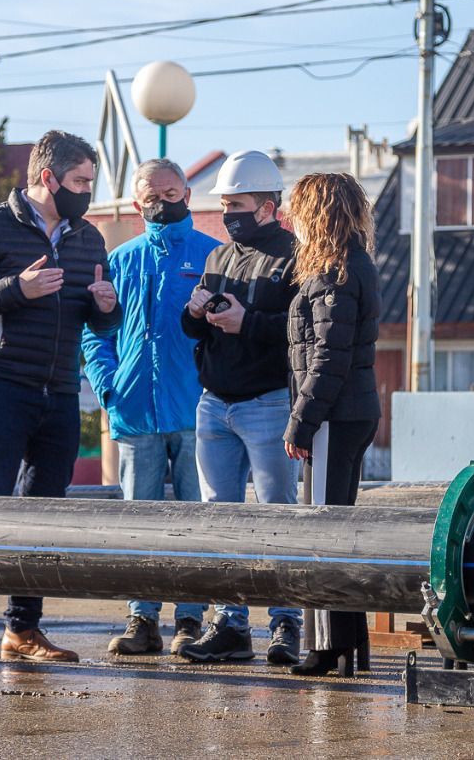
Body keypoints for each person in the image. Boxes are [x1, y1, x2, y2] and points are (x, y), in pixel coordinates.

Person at [0, 130, 119, 663]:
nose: (87, 191)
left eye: (90, 181)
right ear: (47, 178)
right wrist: (17, 288)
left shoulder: (88, 238)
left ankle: (22, 630)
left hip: (60, 387)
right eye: (80, 181)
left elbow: (97, 320)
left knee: (45, 512)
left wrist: (107, 307)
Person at [81, 159, 220, 658]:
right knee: (139, 520)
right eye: (152, 194)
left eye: (171, 190)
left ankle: (190, 617)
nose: (163, 200)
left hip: (196, 414)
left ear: (187, 192)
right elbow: (96, 334)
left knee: (196, 520)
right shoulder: (120, 259)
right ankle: (142, 618)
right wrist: (108, 387)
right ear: (138, 203)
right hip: (135, 411)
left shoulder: (214, 256)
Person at [176, 149, 303, 665]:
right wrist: (195, 313)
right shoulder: (218, 257)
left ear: (269, 207)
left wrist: (247, 322)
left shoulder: (297, 256)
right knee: (218, 520)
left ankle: (286, 623)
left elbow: (303, 331)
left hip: (268, 402)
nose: (229, 215)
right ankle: (228, 623)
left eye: (239, 205)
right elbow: (192, 329)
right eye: (225, 204)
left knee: (278, 517)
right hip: (215, 403)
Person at [282, 173, 380, 678]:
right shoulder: (347, 264)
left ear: (316, 212)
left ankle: (328, 644)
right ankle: (351, 639)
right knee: (337, 526)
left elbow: (327, 359)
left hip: (333, 419)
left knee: (321, 531)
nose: (289, 219)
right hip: (349, 414)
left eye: (296, 209)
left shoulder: (334, 272)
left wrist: (300, 422)